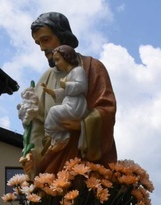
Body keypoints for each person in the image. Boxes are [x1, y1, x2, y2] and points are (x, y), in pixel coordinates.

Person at [20, 12, 117, 176]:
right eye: (38, 43)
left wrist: (83, 126)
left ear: (62, 36)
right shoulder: (45, 79)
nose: (42, 48)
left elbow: (107, 109)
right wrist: (32, 157)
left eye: (46, 40)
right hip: (53, 167)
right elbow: (36, 126)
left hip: (87, 168)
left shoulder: (92, 68)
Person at [40, 45, 88, 151]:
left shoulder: (78, 71)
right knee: (52, 119)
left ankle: (61, 138)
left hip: (76, 105)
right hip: (70, 103)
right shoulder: (69, 74)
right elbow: (65, 92)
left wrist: (66, 85)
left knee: (53, 112)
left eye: (57, 60)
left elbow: (82, 86)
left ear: (67, 57)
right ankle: (61, 137)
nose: (56, 63)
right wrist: (52, 92)